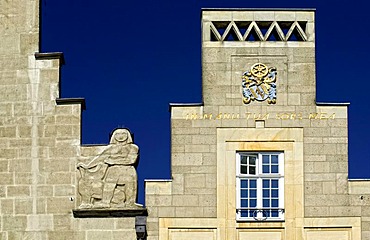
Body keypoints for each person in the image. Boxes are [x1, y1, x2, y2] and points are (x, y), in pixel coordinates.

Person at [77, 128, 139, 209]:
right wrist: (87, 166)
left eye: (123, 134)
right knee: (109, 185)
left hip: (128, 170)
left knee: (130, 187)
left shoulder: (133, 147)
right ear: (114, 136)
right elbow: (99, 158)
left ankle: (130, 203)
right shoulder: (111, 148)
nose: (120, 136)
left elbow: (131, 160)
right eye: (117, 134)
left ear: (128, 135)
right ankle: (105, 202)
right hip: (113, 170)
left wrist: (112, 161)